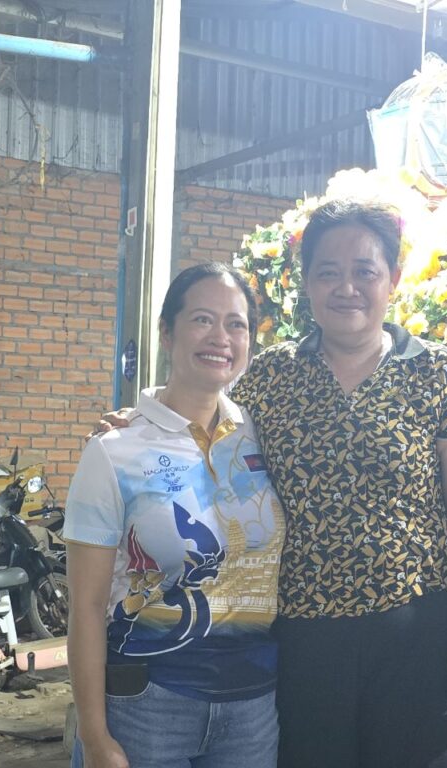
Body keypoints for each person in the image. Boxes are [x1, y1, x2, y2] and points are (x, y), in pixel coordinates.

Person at [98, 199, 447, 768]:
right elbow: (202, 422)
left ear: (392, 279)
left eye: (364, 271)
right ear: (306, 283)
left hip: (417, 637)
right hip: (303, 645)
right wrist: (139, 423)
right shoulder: (269, 377)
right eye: (328, 272)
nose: (347, 288)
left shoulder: (440, 374)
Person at [65, 262, 286, 768]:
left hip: (253, 708)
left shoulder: (266, 433)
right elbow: (87, 607)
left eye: (236, 324)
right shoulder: (115, 451)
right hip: (147, 704)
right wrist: (94, 737)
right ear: (167, 332)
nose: (221, 337)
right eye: (202, 319)